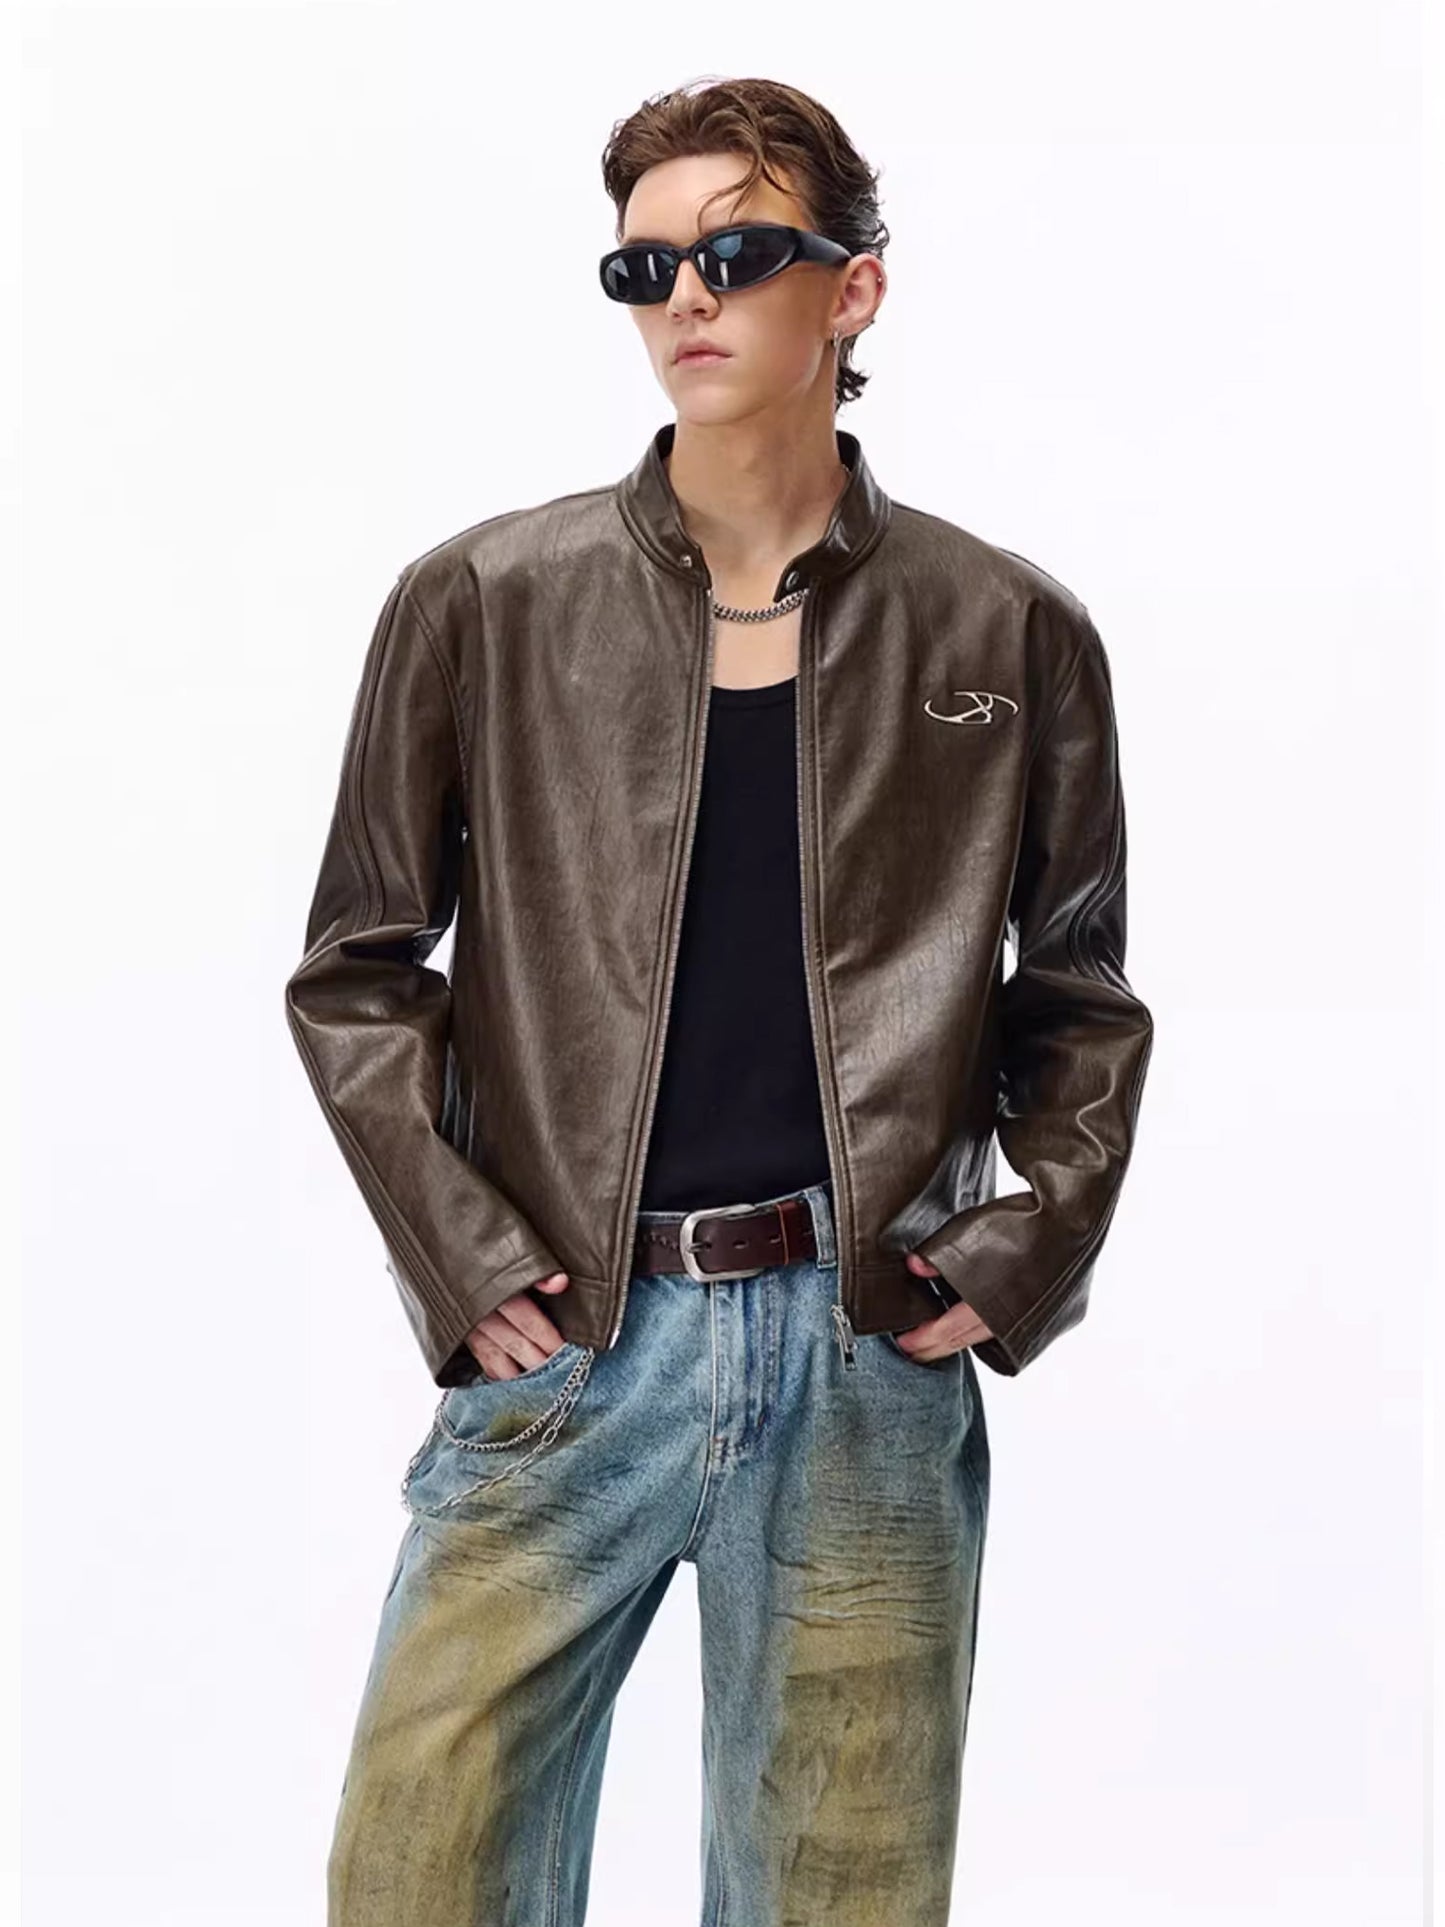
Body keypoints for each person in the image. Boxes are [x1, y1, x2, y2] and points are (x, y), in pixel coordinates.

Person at [284, 74, 1154, 1927]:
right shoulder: (483, 601)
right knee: (418, 1878)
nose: (685, 295)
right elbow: (358, 969)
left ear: (852, 290)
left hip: (861, 1349)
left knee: (836, 1898)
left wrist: (1018, 1250)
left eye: (737, 252)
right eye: (643, 265)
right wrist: (464, 1257)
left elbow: (1078, 992)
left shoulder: (1004, 627)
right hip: (568, 1347)